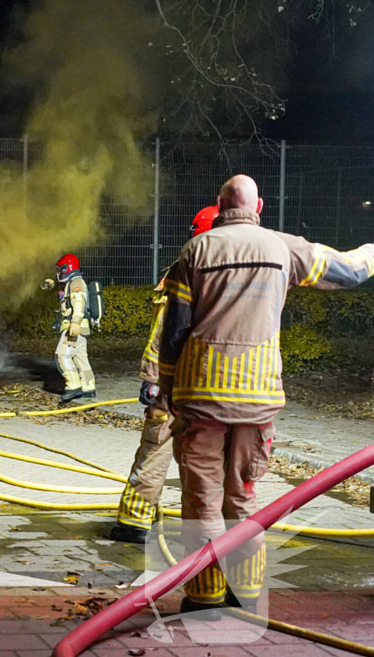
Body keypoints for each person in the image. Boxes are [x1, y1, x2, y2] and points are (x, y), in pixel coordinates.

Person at [158, 175, 374, 617]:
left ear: (219, 207)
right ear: (258, 208)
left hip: (201, 396)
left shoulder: (195, 252)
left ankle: (203, 597)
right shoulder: (283, 247)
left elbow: (175, 332)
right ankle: (248, 591)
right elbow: (347, 272)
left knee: (202, 497)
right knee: (243, 494)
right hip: (257, 400)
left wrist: (166, 388)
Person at [109, 206, 219, 544]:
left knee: (156, 446)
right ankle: (209, 532)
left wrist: (152, 376)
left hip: (174, 381)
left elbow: (163, 332)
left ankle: (134, 522)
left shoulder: (182, 272)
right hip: (215, 386)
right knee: (209, 460)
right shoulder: (236, 277)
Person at [41, 254, 95, 401]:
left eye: (61, 269)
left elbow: (79, 303)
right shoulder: (71, 283)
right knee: (80, 358)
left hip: (74, 327)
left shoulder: (76, 283)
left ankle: (73, 386)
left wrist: (75, 322)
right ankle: (88, 387)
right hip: (78, 327)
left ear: (67, 268)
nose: (59, 272)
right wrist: (51, 284)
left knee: (62, 355)